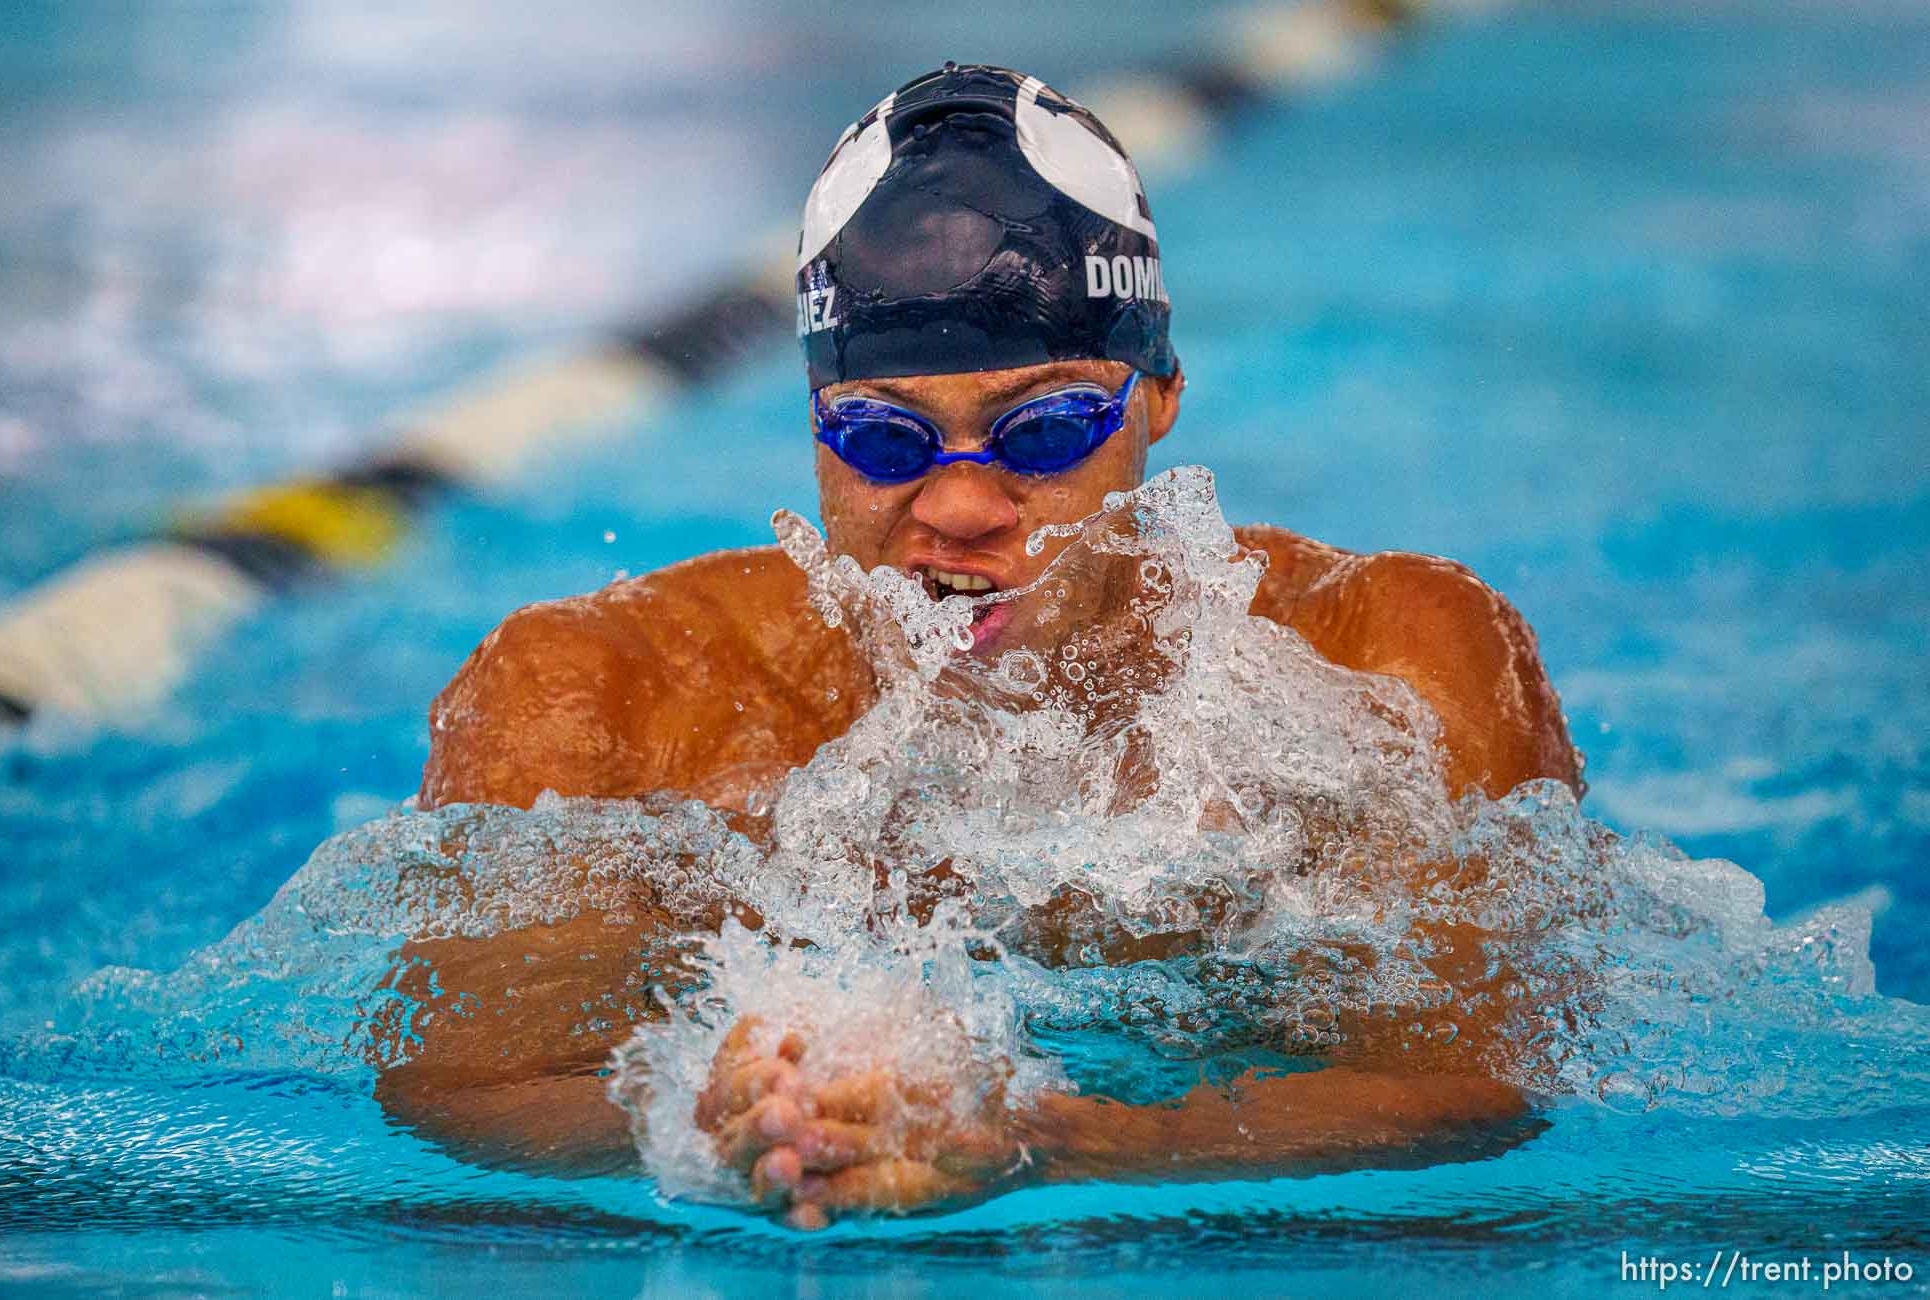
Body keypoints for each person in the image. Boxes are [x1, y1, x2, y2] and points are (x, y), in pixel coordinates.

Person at [374, 64, 1581, 1227]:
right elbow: (459, 1087)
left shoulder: (1387, 665)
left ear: (1157, 393)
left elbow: (1483, 1083)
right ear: (813, 428)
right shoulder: (599, 697)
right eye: (887, 442)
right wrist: (703, 1107)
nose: (960, 508)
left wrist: (1060, 1136)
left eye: (1046, 430)